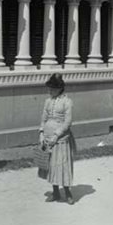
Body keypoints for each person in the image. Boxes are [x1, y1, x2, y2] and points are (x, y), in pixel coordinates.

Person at [39, 73, 76, 204]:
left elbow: (68, 122)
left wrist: (56, 135)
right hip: (48, 137)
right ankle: (55, 192)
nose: (50, 91)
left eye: (53, 88)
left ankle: (67, 192)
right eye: (49, 88)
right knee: (51, 165)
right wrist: (41, 133)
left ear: (60, 88)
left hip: (61, 138)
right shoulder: (47, 101)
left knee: (62, 164)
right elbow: (44, 118)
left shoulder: (67, 102)